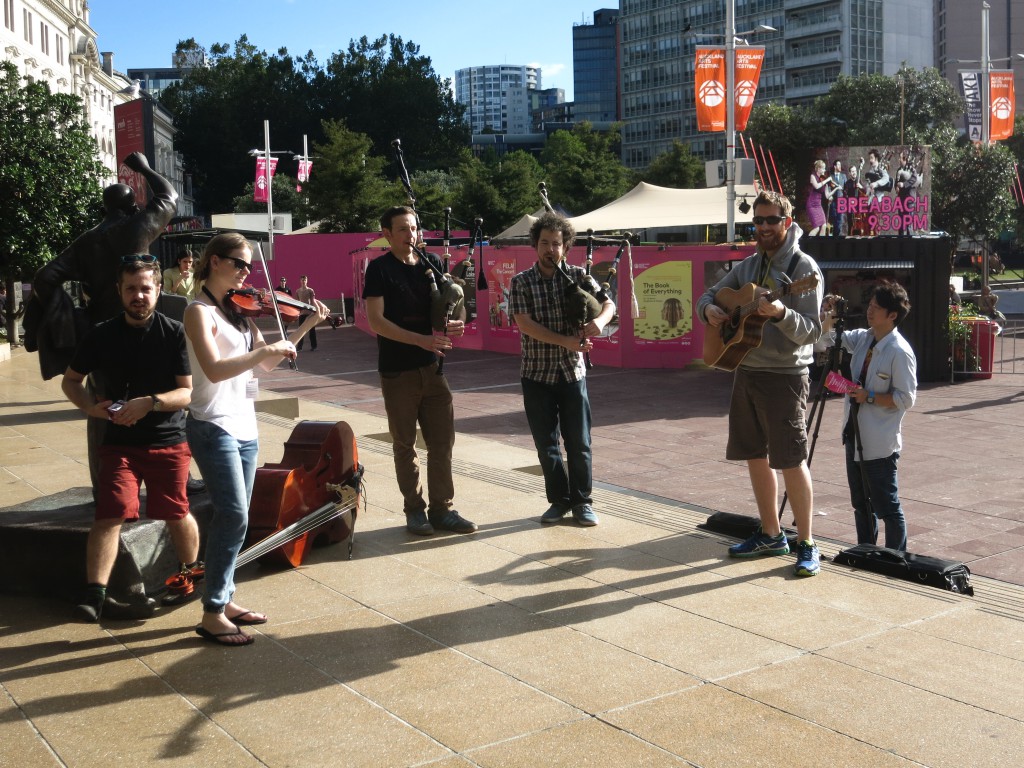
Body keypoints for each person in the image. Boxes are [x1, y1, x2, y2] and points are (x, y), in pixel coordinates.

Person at [184, 232, 330, 646]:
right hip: (213, 424)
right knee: (234, 516)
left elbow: (265, 366)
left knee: (237, 515)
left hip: (245, 426)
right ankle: (212, 611)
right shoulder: (199, 312)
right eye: (239, 263)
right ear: (214, 261)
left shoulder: (240, 313)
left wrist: (303, 328)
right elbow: (213, 369)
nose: (247, 273)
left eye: (249, 265)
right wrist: (269, 347)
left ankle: (225, 599)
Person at [26, 151, 181, 492]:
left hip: (99, 331)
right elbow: (170, 197)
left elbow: (44, 276)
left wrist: (63, 312)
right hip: (140, 325)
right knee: (156, 399)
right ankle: (163, 480)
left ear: (104, 209)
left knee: (102, 406)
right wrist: (143, 169)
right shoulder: (136, 225)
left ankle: (105, 486)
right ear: (129, 208)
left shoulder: (86, 241)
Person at [60, 256, 199, 622]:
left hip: (167, 439)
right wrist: (91, 408)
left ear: (158, 289)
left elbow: (187, 393)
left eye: (145, 288)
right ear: (119, 291)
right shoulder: (101, 334)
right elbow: (70, 380)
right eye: (131, 288)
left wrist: (150, 403)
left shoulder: (173, 333)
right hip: (119, 443)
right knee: (110, 515)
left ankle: (189, 575)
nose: (139, 295)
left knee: (176, 512)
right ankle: (96, 594)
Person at [696, 190, 825, 576]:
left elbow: (813, 331)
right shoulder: (749, 266)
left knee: (790, 460)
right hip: (746, 369)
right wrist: (711, 310)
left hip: (785, 376)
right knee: (754, 454)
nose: (765, 227)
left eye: (772, 220)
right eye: (759, 221)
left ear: (786, 222)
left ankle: (807, 542)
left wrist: (783, 312)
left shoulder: (804, 269)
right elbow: (709, 293)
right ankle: (771, 534)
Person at [362, 206, 477, 536]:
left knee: (442, 443)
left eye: (413, 228)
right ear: (387, 233)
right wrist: (422, 340)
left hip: (433, 368)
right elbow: (376, 322)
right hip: (398, 371)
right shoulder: (379, 269)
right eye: (402, 229)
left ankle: (443, 510)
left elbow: (453, 305)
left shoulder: (433, 263)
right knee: (405, 444)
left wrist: (456, 323)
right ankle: (415, 510)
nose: (410, 235)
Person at [510, 212, 615, 527]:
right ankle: (559, 501)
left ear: (566, 247)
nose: (550, 249)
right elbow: (525, 325)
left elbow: (609, 304)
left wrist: (597, 322)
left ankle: (583, 502)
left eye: (556, 243)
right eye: (544, 243)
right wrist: (567, 341)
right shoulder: (521, 282)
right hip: (536, 374)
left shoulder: (580, 277)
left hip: (572, 375)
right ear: (535, 245)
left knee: (579, 443)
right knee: (546, 445)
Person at [825, 283, 917, 551]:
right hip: (852, 432)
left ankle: (895, 558)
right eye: (870, 305)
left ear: (893, 315)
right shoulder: (865, 338)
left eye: (877, 308)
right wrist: (830, 314)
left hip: (879, 442)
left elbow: (906, 398)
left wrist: (871, 397)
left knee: (887, 507)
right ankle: (866, 552)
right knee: (860, 504)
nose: (870, 311)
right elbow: (830, 338)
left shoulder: (899, 351)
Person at [805, 159, 837, 236]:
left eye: (825, 168)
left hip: (818, 205)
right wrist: (827, 180)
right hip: (811, 204)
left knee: (824, 225)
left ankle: (820, 244)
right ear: (819, 169)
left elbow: (827, 196)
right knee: (816, 228)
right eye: (823, 168)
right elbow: (816, 186)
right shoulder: (813, 176)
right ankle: (808, 243)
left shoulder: (824, 179)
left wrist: (836, 188)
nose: (825, 170)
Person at [295, 275, 318, 352]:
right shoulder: (298, 291)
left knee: (312, 331)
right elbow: (297, 303)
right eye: (302, 280)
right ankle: (299, 347)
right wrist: (297, 313)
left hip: (310, 313)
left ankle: (314, 346)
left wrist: (314, 311)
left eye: (304, 280)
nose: (303, 281)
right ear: (300, 281)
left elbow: (313, 301)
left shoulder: (310, 290)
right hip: (302, 313)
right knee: (301, 331)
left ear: (307, 281)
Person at [829, 160, 848, 236]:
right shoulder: (830, 176)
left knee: (840, 221)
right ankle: (834, 237)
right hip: (833, 202)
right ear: (835, 166)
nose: (840, 166)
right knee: (833, 220)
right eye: (838, 165)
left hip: (841, 201)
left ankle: (837, 237)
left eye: (840, 165)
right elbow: (828, 188)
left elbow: (846, 188)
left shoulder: (843, 176)